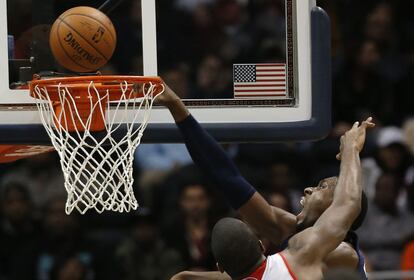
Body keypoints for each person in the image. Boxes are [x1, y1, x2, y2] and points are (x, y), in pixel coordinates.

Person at [157, 84, 372, 279]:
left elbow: (349, 202)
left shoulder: (341, 252)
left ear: (335, 207)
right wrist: (178, 109)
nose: (308, 189)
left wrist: (351, 151)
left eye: (322, 187)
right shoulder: (289, 231)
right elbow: (227, 179)